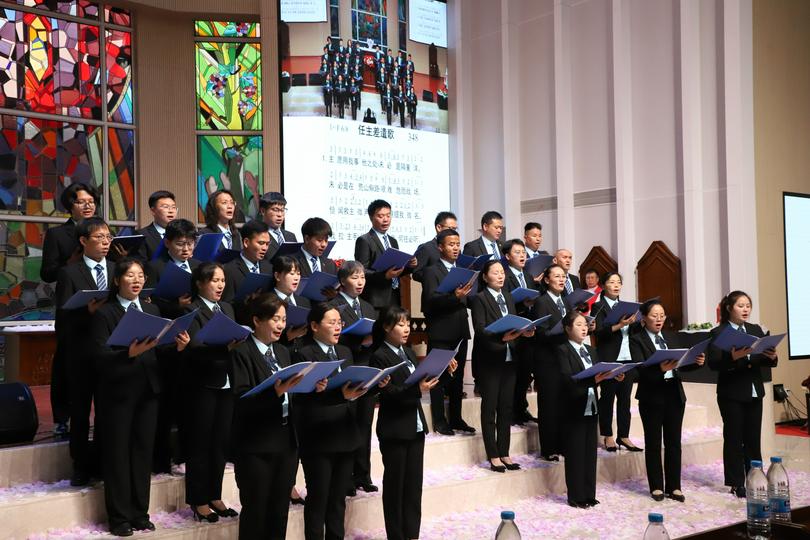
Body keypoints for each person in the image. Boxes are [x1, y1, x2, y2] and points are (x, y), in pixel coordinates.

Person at [91, 257, 190, 537]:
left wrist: (178, 348)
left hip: (148, 391)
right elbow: (98, 357)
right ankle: (119, 517)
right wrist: (128, 355)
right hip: (118, 394)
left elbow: (158, 351)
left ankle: (139, 513)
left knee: (142, 454)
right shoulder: (105, 314)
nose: (137, 280)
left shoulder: (152, 308)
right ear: (116, 281)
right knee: (118, 455)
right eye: (130, 276)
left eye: (141, 275)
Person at [292, 304, 380, 540]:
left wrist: (374, 386)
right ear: (314, 326)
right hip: (319, 437)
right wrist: (324, 392)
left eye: (339, 322)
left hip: (345, 433)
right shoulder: (304, 354)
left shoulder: (345, 352)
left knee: (338, 500)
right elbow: (300, 399)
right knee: (318, 499)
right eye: (331, 322)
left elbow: (351, 390)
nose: (338, 326)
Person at [230, 293, 307, 539]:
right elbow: (241, 400)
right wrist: (275, 392)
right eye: (275, 319)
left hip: (285, 442)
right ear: (257, 320)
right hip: (256, 445)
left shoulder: (283, 352)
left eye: (283, 319)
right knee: (256, 511)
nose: (281, 325)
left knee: (279, 511)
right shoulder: (242, 352)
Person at [371, 306, 447, 540]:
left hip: (414, 427)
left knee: (414, 487)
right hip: (394, 428)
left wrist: (443, 369)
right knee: (396, 488)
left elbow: (421, 379)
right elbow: (389, 393)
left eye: (407, 324)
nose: (406, 329)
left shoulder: (409, 352)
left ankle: (412, 534)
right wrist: (417, 389)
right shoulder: (379, 356)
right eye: (400, 325)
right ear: (386, 327)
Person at [55, 216, 113, 486]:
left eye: (108, 237)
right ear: (83, 241)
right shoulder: (70, 273)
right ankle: (80, 465)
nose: (105, 242)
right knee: (79, 412)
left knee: (106, 410)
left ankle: (102, 461)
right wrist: (86, 312)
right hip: (80, 353)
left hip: (111, 352)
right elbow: (62, 319)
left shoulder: (116, 270)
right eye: (99, 238)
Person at [630, 299, 705, 503]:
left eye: (662, 315)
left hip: (674, 395)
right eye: (654, 316)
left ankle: (675, 486)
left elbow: (680, 365)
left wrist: (696, 363)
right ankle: (656, 486)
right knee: (653, 443)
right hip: (651, 396)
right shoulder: (636, 339)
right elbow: (638, 370)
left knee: (674, 443)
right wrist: (659, 369)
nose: (659, 319)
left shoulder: (671, 338)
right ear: (644, 318)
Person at [183, 262, 240, 522]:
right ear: (199, 283)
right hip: (202, 384)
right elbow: (193, 348)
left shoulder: (227, 308)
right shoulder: (191, 310)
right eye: (214, 280)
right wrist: (224, 348)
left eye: (222, 281)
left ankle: (215, 495)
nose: (220, 285)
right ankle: (198, 499)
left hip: (227, 381)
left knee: (220, 443)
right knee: (200, 444)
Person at [707, 291, 778, 498]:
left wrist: (772, 356)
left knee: (753, 437)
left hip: (754, 390)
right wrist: (733, 357)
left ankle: (755, 476)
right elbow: (714, 364)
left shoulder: (755, 330)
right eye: (741, 305)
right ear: (729, 308)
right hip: (732, 392)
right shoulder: (719, 332)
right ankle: (736, 482)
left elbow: (764, 359)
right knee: (734, 438)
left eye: (748, 305)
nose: (745, 309)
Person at [44, 182, 100, 438]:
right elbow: (47, 273)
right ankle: (62, 418)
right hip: (71, 308)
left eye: (91, 201)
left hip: (99, 310)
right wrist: (71, 262)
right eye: (81, 201)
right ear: (70, 206)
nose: (88, 206)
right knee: (66, 363)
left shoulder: (103, 231)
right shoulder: (58, 235)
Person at [470, 260, 534, 472]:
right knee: (490, 409)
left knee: (506, 407)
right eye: (495, 273)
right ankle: (493, 455)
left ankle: (505, 452)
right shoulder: (479, 298)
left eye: (502, 272)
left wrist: (523, 332)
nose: (500, 276)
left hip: (510, 359)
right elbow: (480, 330)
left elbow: (512, 323)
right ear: (485, 277)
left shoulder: (507, 296)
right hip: (490, 360)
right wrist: (502, 338)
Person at [558, 310, 621, 509]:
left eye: (585, 324)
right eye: (578, 325)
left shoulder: (591, 351)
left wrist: (613, 375)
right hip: (573, 406)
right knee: (576, 452)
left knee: (589, 453)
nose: (584, 328)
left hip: (592, 404)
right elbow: (567, 379)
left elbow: (599, 373)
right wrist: (592, 379)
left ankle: (589, 493)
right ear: (568, 329)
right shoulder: (563, 350)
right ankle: (576, 496)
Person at [330, 261, 379, 495]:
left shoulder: (369, 308)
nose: (360, 282)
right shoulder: (334, 307)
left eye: (362, 277)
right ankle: (346, 477)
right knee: (347, 426)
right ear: (342, 281)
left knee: (364, 426)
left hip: (367, 372)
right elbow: (333, 341)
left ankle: (363, 474)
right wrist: (360, 342)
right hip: (347, 371)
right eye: (354, 278)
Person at [420, 229, 475, 436]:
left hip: (460, 330)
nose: (455, 248)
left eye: (457, 244)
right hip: (441, 331)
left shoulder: (462, 270)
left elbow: (467, 300)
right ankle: (440, 421)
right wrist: (454, 296)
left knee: (458, 377)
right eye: (451, 244)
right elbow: (429, 303)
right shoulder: (431, 271)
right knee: (437, 378)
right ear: (440, 247)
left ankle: (456, 417)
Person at [531, 263, 577, 461]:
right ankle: (549, 448)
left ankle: (563, 445)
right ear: (547, 280)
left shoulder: (566, 302)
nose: (561, 279)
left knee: (564, 404)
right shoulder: (541, 302)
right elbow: (540, 333)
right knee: (549, 405)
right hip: (547, 360)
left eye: (563, 277)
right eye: (557, 276)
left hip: (565, 359)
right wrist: (560, 330)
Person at [592, 272, 642, 452]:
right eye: (612, 282)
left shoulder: (627, 307)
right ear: (604, 285)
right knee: (607, 398)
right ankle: (608, 435)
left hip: (627, 357)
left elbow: (634, 333)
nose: (616, 285)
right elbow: (597, 334)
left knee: (624, 399)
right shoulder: (598, 307)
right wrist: (619, 325)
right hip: (609, 358)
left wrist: (638, 323)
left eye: (619, 282)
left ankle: (624, 436)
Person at [501, 239, 539, 425]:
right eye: (517, 252)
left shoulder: (529, 277)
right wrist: (521, 304)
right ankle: (511, 412)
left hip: (529, 330)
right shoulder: (505, 276)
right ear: (507, 257)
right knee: (514, 374)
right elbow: (505, 303)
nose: (522, 255)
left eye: (523, 252)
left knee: (526, 373)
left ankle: (522, 408)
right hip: (514, 331)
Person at [355, 199, 417, 311]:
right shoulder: (364, 240)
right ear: (371, 217)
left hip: (395, 296)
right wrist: (385, 276)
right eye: (381, 216)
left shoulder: (393, 241)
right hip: (376, 300)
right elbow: (362, 271)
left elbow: (396, 270)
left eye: (388, 215)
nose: (385, 220)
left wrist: (410, 266)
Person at [146, 218, 200, 319]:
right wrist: (176, 305)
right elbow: (149, 302)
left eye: (190, 243)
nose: (186, 249)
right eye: (180, 244)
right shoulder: (155, 267)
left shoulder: (198, 266)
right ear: (167, 243)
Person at [221, 219, 272, 305]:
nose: (265, 248)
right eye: (261, 243)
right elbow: (226, 305)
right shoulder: (230, 270)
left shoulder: (269, 267)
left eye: (267, 244)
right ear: (246, 242)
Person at [269, 255, 310, 351]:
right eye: (292, 274)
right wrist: (287, 337)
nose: (296, 278)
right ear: (277, 276)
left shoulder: (304, 301)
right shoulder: (268, 301)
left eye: (298, 274)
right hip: (281, 354)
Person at [412, 211, 457, 283]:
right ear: (439, 227)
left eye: (455, 229)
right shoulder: (426, 248)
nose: (453, 232)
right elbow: (416, 273)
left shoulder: (456, 249)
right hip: (434, 291)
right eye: (450, 228)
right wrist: (436, 276)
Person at [137, 190, 177, 262]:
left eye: (173, 207)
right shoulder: (142, 235)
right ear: (153, 211)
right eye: (165, 207)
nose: (171, 211)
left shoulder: (181, 234)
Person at [257, 192, 297, 259]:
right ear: (263, 211)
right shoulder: (257, 235)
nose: (280, 215)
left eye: (282, 210)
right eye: (276, 210)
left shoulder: (291, 236)